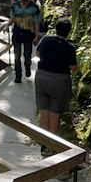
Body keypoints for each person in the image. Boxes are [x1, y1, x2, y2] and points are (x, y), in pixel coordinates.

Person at [34, 17, 78, 145]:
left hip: (42, 77)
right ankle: (51, 143)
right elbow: (73, 68)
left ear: (56, 29)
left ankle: (42, 141)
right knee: (55, 113)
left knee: (44, 111)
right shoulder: (69, 48)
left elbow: (37, 54)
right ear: (69, 31)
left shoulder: (46, 40)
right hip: (60, 81)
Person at [9, 0, 41, 82]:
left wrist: (36, 35)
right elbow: (13, 18)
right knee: (17, 56)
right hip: (17, 31)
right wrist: (7, 26)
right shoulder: (15, 6)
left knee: (27, 56)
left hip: (28, 32)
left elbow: (36, 21)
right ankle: (18, 75)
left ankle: (27, 68)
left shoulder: (34, 7)